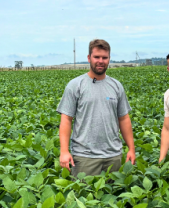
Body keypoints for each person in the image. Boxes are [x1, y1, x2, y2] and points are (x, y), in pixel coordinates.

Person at [57, 39, 136, 177]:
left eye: (104, 57)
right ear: (89, 58)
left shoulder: (116, 86)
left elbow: (123, 118)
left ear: (109, 59)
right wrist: (64, 151)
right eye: (96, 57)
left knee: (113, 196)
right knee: (84, 196)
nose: (100, 61)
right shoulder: (76, 85)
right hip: (84, 157)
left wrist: (131, 148)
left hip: (113, 155)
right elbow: (66, 119)